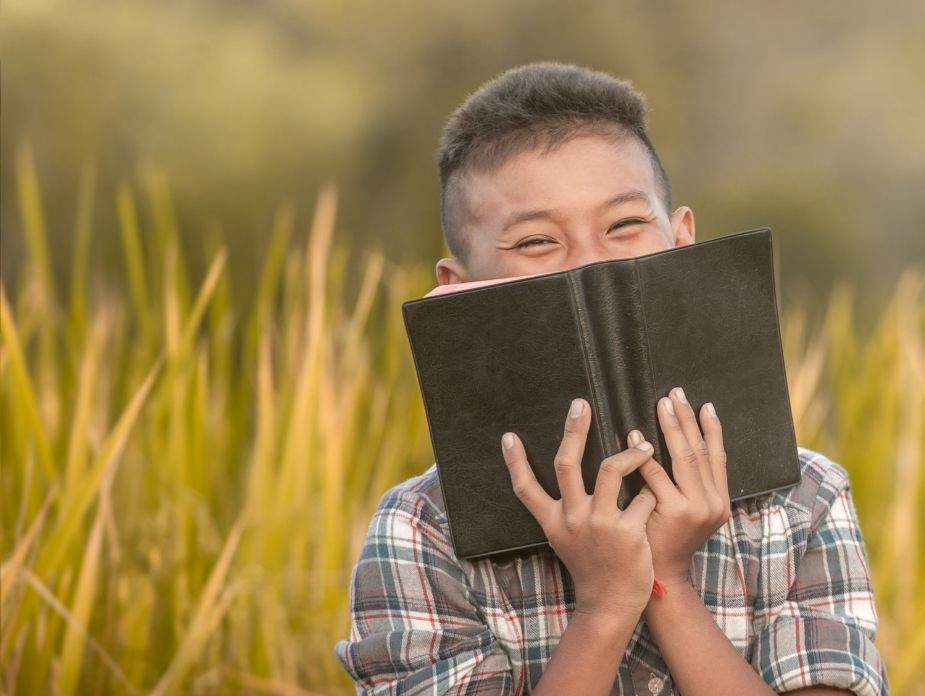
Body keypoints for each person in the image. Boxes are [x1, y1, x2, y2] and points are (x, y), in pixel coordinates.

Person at [335, 62, 887, 696]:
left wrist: (667, 585)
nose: (591, 264)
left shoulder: (800, 499)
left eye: (624, 226)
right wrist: (604, 604)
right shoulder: (421, 530)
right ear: (459, 290)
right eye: (538, 241)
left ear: (682, 240)